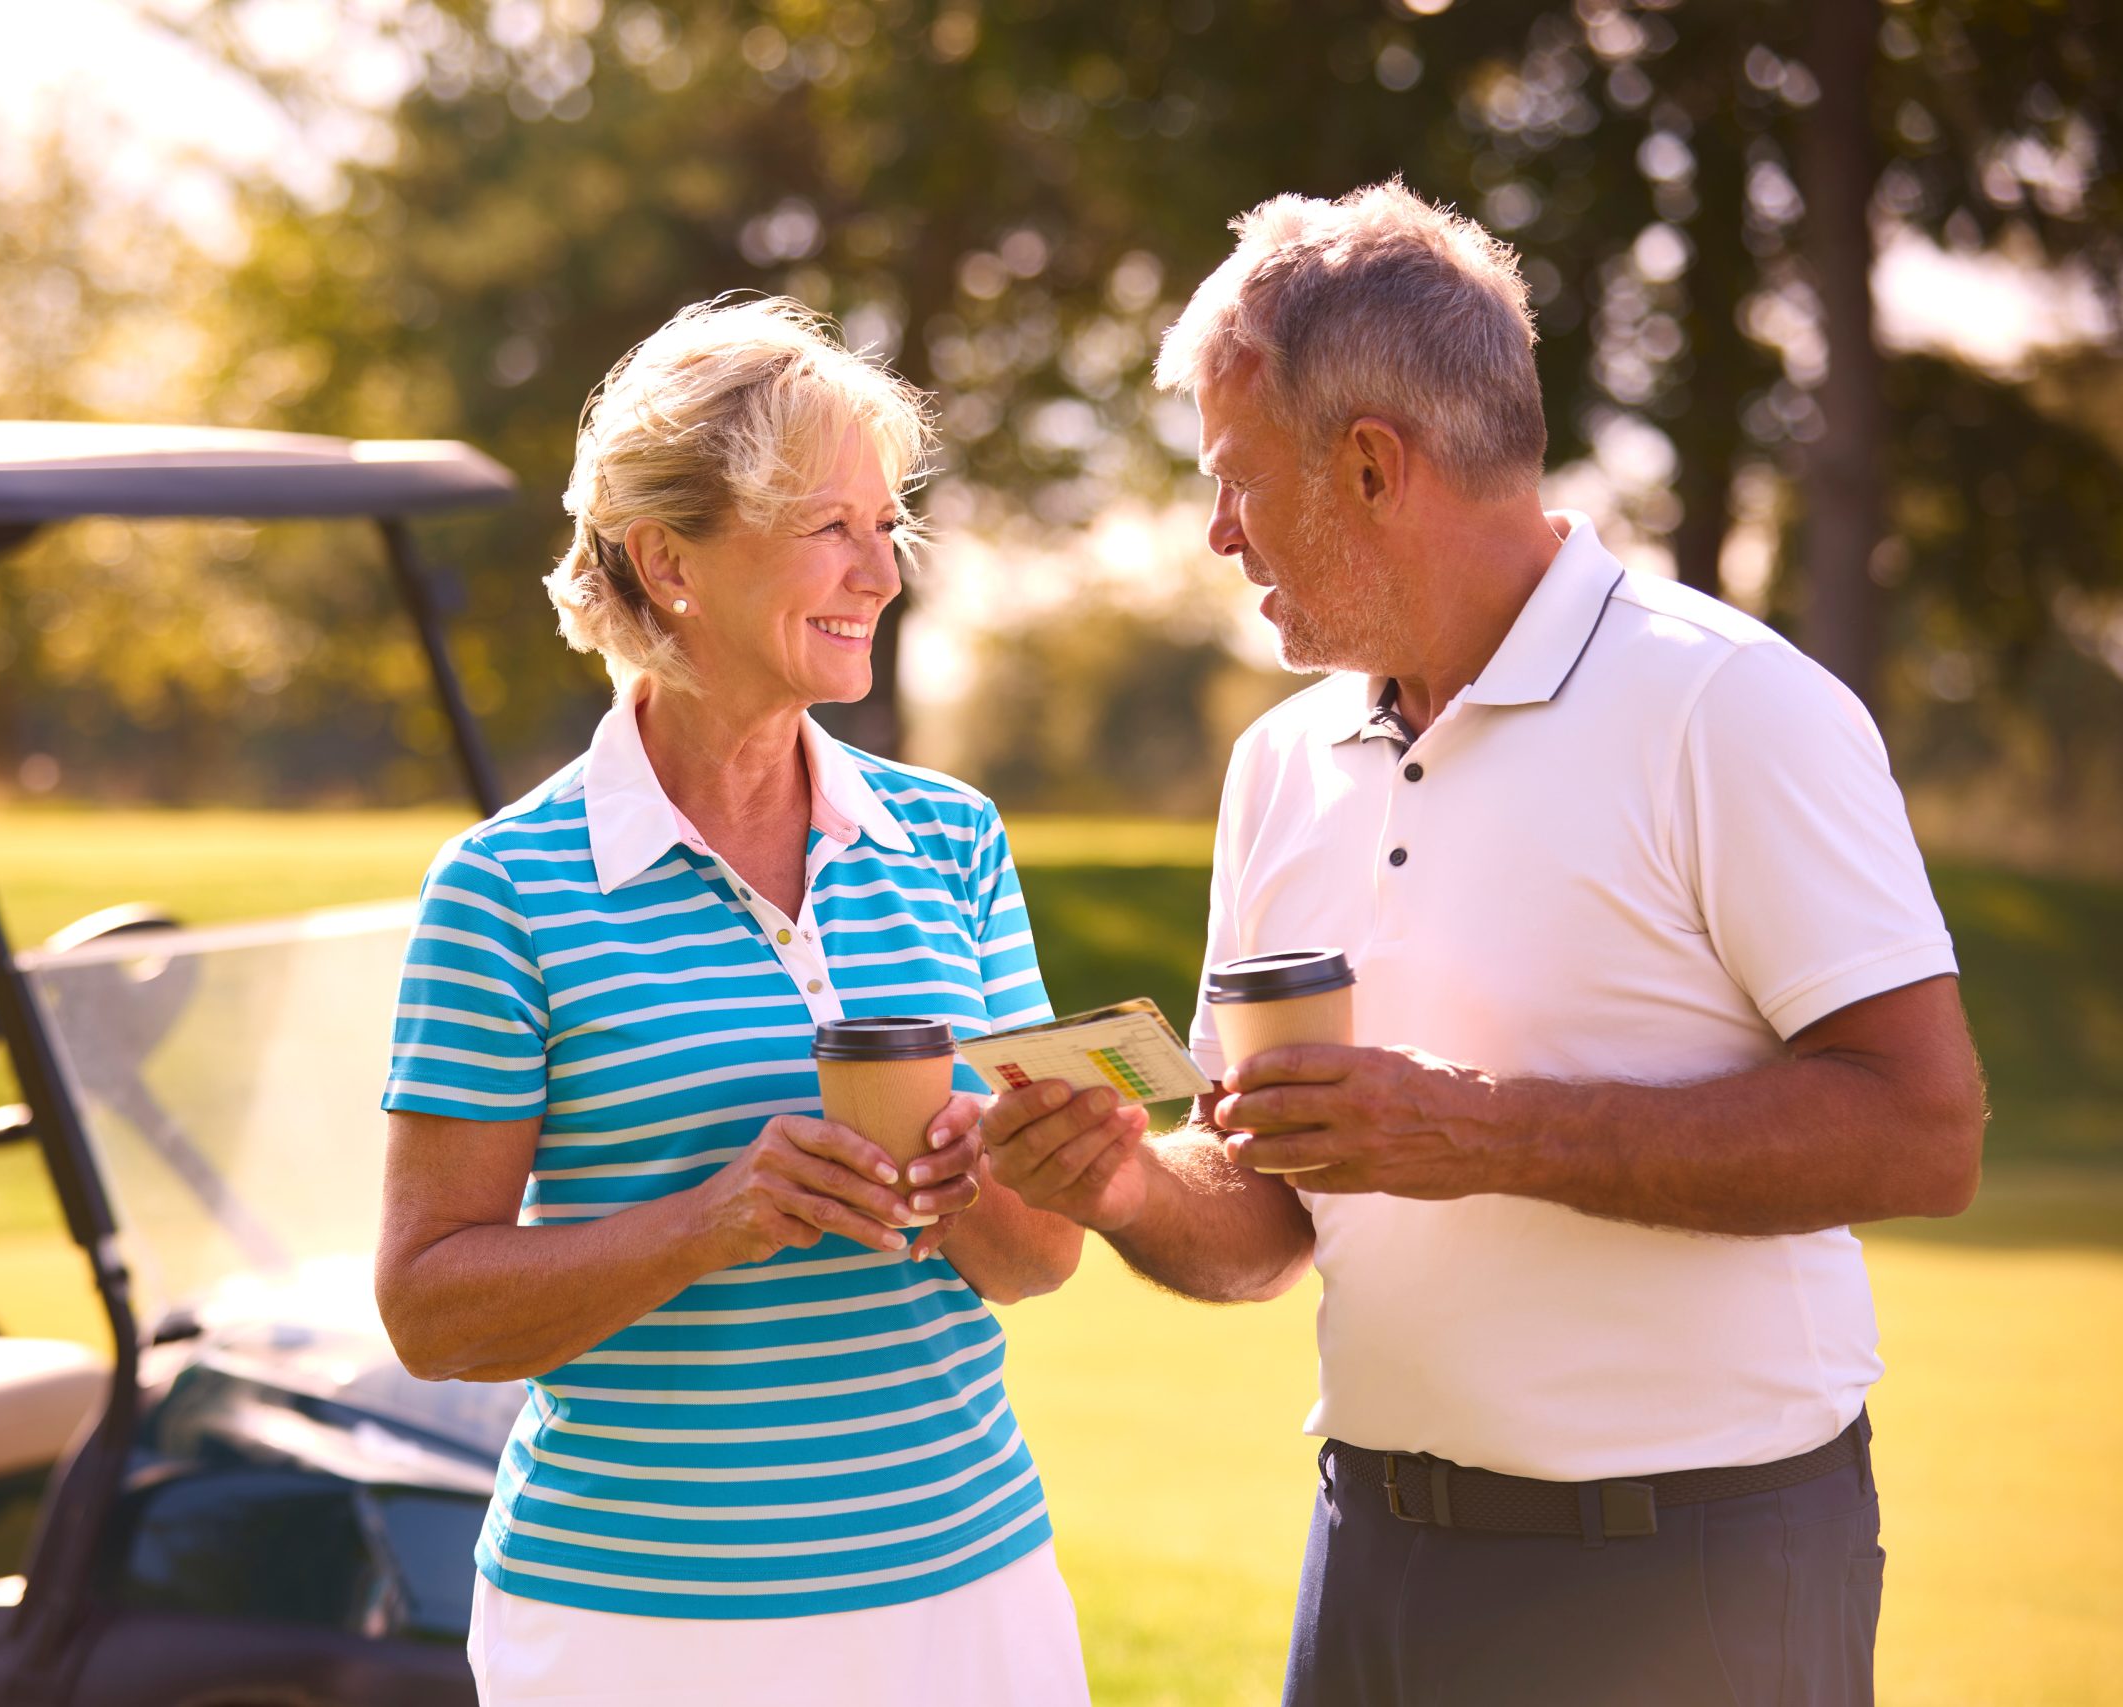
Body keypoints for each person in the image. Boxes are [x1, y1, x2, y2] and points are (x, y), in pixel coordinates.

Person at [981, 182, 1986, 1707]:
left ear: (1373, 465)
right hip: (1374, 1559)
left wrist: (1487, 1132)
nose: (1215, 530)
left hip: (1694, 1577)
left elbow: (1925, 1131)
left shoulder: (1732, 706)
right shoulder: (1281, 765)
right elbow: (1269, 1214)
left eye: (1238, 478)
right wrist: (1122, 1177)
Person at [373, 297, 1094, 1706]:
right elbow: (428, 1307)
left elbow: (1039, 1260)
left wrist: (979, 1180)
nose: (880, 573)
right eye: (832, 526)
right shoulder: (503, 889)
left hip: (970, 1601)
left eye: (887, 527)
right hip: (639, 1638)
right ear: (669, 560)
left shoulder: (953, 840)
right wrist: (715, 1222)